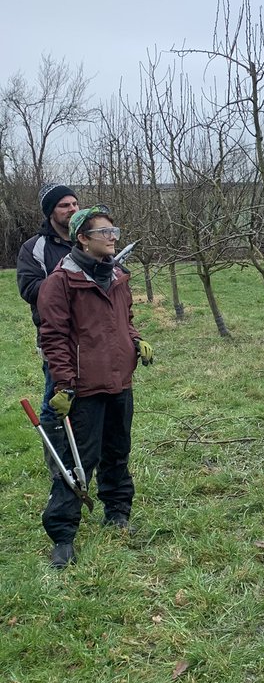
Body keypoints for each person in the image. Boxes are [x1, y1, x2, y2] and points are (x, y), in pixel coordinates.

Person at [36, 205, 154, 568]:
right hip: (84, 387)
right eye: (105, 232)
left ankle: (117, 514)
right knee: (76, 463)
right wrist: (65, 385)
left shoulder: (117, 274)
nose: (113, 237)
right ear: (82, 239)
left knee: (118, 452)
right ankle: (62, 536)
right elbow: (53, 337)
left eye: (114, 230)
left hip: (120, 380)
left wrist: (135, 340)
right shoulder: (60, 282)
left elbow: (125, 319)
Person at [16, 183, 80, 427]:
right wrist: (69, 283)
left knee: (85, 405)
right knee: (56, 403)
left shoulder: (87, 239)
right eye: (64, 205)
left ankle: (81, 462)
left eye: (74, 203)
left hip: (90, 334)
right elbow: (30, 289)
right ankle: (58, 464)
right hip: (56, 337)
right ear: (50, 211)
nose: (72, 209)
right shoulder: (33, 248)